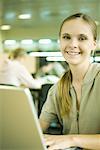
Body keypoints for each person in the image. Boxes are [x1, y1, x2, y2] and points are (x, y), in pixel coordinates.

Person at [39, 12, 100, 150]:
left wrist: (72, 139)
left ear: (93, 44)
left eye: (82, 38)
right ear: (60, 41)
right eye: (66, 37)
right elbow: (37, 130)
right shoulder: (57, 89)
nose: (73, 44)